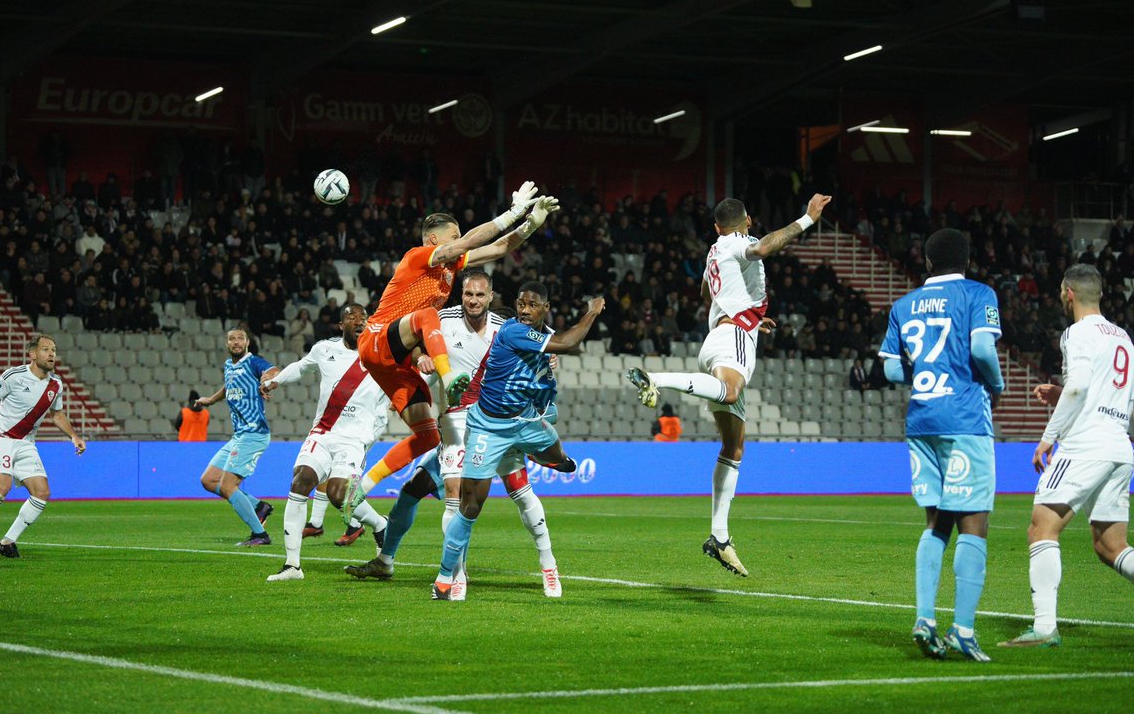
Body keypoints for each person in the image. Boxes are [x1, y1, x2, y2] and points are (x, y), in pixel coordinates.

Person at [625, 193, 832, 577]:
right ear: (748, 221)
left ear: (716, 227)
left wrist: (751, 316)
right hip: (733, 337)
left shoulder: (714, 251)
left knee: (734, 447)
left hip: (722, 337)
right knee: (732, 392)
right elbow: (763, 248)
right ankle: (657, 378)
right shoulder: (739, 243)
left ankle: (719, 537)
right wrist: (807, 218)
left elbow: (707, 293)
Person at [341, 185, 557, 520]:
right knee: (429, 316)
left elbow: (499, 247)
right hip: (376, 340)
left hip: (395, 362)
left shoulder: (449, 267)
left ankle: (361, 487)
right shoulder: (417, 256)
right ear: (433, 240)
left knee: (428, 436)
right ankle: (449, 375)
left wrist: (531, 224)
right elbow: (472, 241)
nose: (461, 240)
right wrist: (512, 213)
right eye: (453, 236)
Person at [345, 278, 562, 599]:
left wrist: (548, 361)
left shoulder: (505, 325)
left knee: (519, 492)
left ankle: (547, 567)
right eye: (469, 294)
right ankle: (389, 561)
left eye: (480, 295)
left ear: (490, 296)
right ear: (463, 295)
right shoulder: (443, 320)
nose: (474, 300)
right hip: (458, 429)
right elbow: (409, 338)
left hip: (495, 424)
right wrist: (420, 355)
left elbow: (541, 342)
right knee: (413, 493)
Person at [878, 227, 1005, 662]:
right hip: (966, 418)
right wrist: (997, 382)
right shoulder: (979, 293)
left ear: (928, 262)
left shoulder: (902, 305)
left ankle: (925, 618)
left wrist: (929, 381)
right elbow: (983, 348)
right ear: (967, 259)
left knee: (936, 523)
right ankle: (963, 630)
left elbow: (894, 373)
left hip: (921, 420)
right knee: (974, 525)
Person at [431, 283, 604, 600]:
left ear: (545, 308)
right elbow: (568, 343)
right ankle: (448, 577)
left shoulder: (542, 338)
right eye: (521, 303)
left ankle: (549, 565)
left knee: (549, 462)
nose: (524, 310)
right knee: (469, 506)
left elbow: (544, 375)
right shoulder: (513, 332)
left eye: (532, 305)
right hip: (489, 428)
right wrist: (592, 311)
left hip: (524, 422)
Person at [999, 264, 1134, 649]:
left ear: (1068, 293)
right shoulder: (1123, 338)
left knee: (1042, 527)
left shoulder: (1076, 333)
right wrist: (1064, 396)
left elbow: (1078, 387)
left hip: (1086, 444)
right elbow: (1119, 398)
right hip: (1119, 445)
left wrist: (1048, 437)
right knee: (1111, 546)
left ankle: (1043, 629)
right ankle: (1043, 628)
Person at [258, 304, 392, 581]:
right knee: (300, 482)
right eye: (351, 318)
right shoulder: (324, 349)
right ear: (340, 325)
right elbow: (301, 367)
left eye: (363, 319)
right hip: (323, 432)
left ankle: (380, 524)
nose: (358, 322)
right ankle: (292, 566)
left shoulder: (380, 353)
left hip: (354, 439)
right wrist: (276, 381)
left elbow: (411, 371)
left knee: (338, 495)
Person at [0, 334, 86, 560]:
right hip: (1, 438)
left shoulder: (56, 385)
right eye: (46, 349)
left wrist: (74, 436)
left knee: (42, 492)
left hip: (26, 443)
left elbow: (57, 415)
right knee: (2, 488)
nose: (52, 354)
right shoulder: (13, 375)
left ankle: (7, 542)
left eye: (54, 350)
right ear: (33, 354)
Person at [195, 327, 279, 546]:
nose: (236, 342)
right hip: (239, 436)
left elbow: (273, 370)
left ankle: (260, 535)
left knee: (227, 485)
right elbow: (228, 385)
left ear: (247, 342)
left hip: (254, 434)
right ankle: (259, 507)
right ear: (227, 343)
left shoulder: (253, 362)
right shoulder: (228, 366)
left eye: (240, 338)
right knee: (208, 480)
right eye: (232, 339)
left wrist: (267, 381)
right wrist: (211, 400)